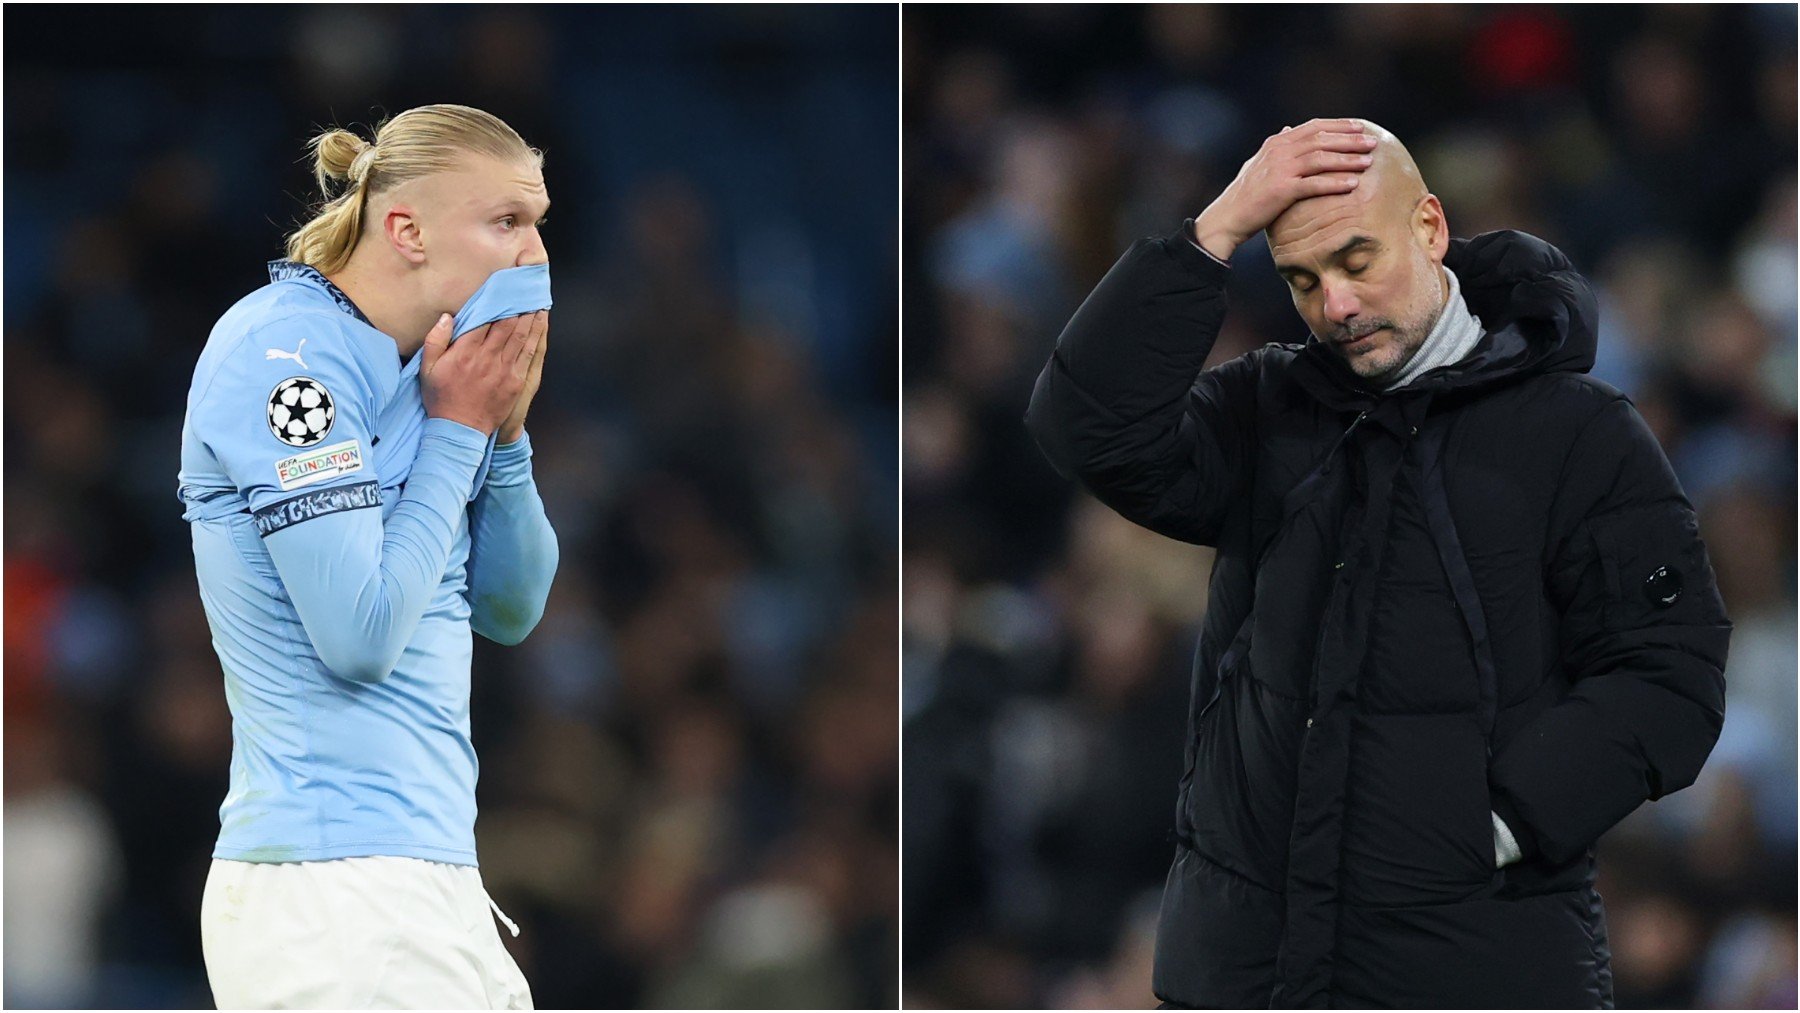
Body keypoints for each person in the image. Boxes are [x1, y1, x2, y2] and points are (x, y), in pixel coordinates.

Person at [1025, 118, 1731, 1008]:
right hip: (1246, 972)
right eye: (1303, 280)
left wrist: (1499, 825)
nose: (1337, 305)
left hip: (1472, 967)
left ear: (1430, 228)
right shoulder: (1265, 409)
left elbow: (1671, 670)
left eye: (1358, 260)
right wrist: (1214, 230)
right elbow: (1084, 428)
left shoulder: (1580, 434)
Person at [176, 104, 558, 1009]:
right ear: (406, 230)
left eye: (539, 223)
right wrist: (461, 429)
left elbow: (512, 609)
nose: (535, 257)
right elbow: (359, 634)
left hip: (428, 876)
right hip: (332, 888)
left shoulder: (421, 373)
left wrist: (503, 435)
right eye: (507, 222)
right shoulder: (285, 357)